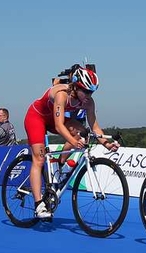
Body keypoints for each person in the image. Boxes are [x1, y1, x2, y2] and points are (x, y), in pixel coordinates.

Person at [24, 66, 119, 219]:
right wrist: (73, 142)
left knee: (83, 132)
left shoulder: (88, 102)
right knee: (39, 159)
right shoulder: (62, 95)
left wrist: (107, 144)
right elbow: (59, 126)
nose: (89, 95)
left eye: (92, 92)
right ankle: (38, 205)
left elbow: (95, 127)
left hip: (54, 119)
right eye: (86, 91)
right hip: (37, 117)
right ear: (76, 86)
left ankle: (60, 164)